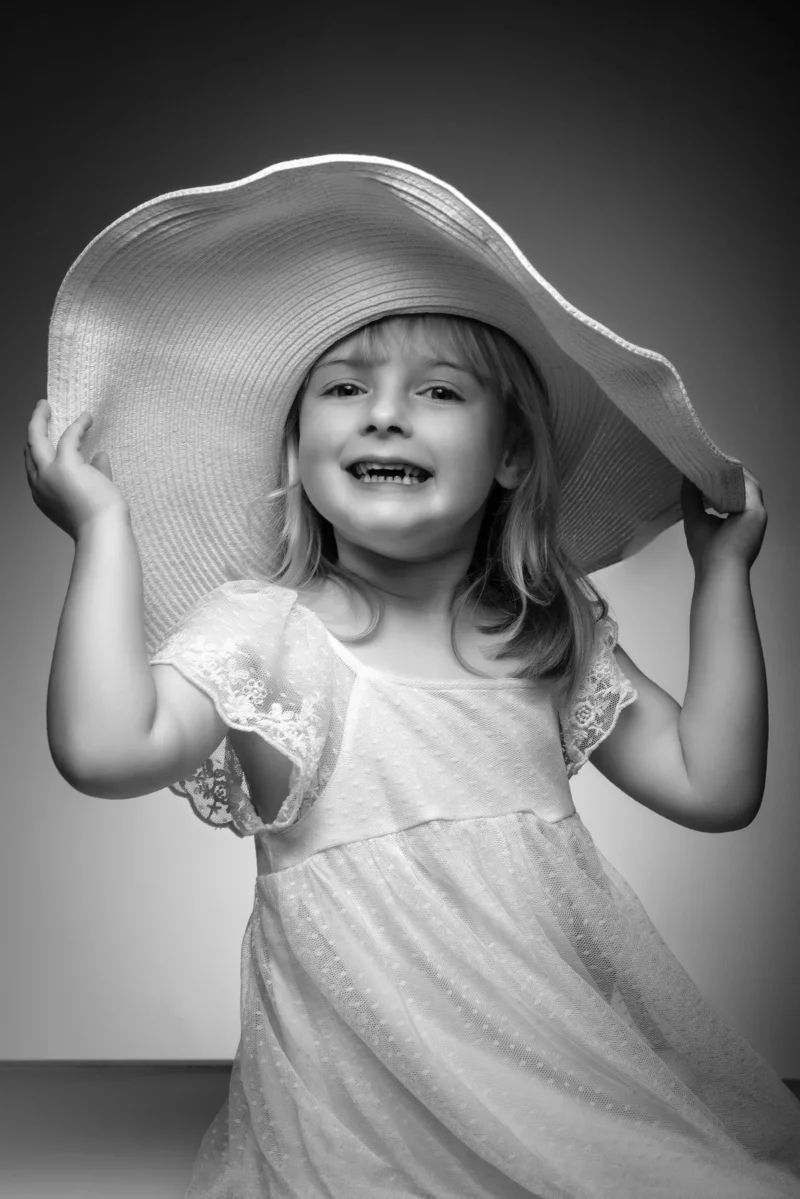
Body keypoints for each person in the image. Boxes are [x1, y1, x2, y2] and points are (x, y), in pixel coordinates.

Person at [24, 156, 800, 1197]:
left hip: (558, 1078)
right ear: (297, 450)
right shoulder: (265, 632)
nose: (383, 414)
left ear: (514, 455)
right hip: (357, 1118)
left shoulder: (541, 635)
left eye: (436, 391)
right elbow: (102, 749)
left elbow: (714, 787)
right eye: (344, 389)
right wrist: (102, 527)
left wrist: (721, 575)